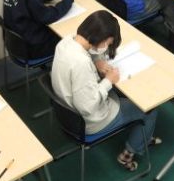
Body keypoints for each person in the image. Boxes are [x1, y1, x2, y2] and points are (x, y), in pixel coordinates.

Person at [51, 10, 160, 170]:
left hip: (67, 113)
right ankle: (130, 152)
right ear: (100, 39)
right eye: (108, 44)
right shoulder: (81, 63)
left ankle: (142, 136)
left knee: (121, 94)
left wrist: (96, 61)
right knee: (149, 107)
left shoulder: (66, 42)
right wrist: (109, 81)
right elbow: (88, 106)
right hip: (89, 121)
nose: (107, 47)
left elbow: (86, 58)